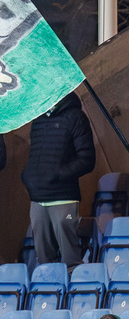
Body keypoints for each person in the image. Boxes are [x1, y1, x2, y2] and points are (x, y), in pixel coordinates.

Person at [23, 91, 94, 265]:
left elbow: (87, 160)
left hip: (63, 197)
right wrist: (28, 175)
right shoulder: (38, 119)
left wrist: (56, 175)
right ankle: (50, 291)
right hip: (38, 198)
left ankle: (78, 290)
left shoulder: (76, 117)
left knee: (71, 258)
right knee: (44, 260)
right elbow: (37, 155)